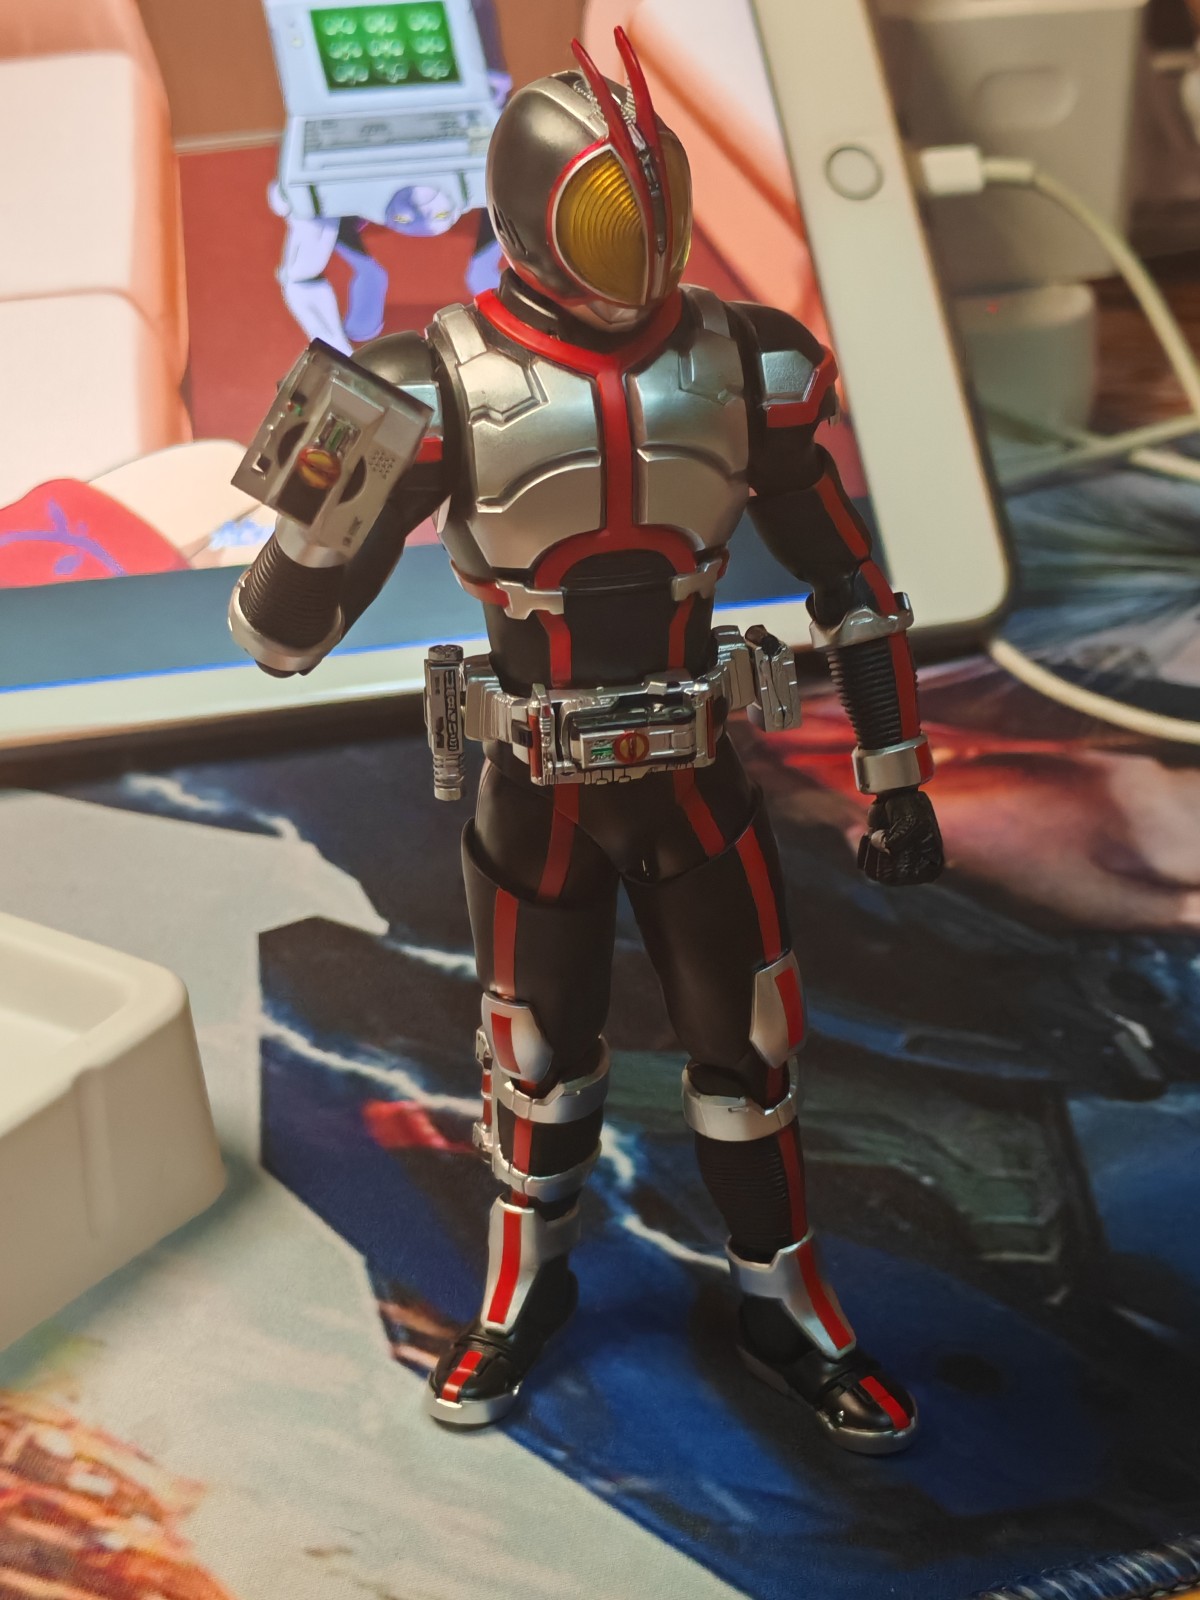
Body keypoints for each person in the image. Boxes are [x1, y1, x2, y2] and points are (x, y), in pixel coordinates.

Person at [227, 31, 944, 1454]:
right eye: (616, 211)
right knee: (535, 1063)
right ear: (528, 212)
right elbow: (276, 636)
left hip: (696, 781)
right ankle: (520, 1290)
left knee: (750, 1056)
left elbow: (855, 589)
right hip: (537, 786)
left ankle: (787, 1305)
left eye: (654, 203)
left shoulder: (749, 362)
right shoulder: (427, 380)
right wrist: (324, 497)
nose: (645, 242)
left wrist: (897, 773)